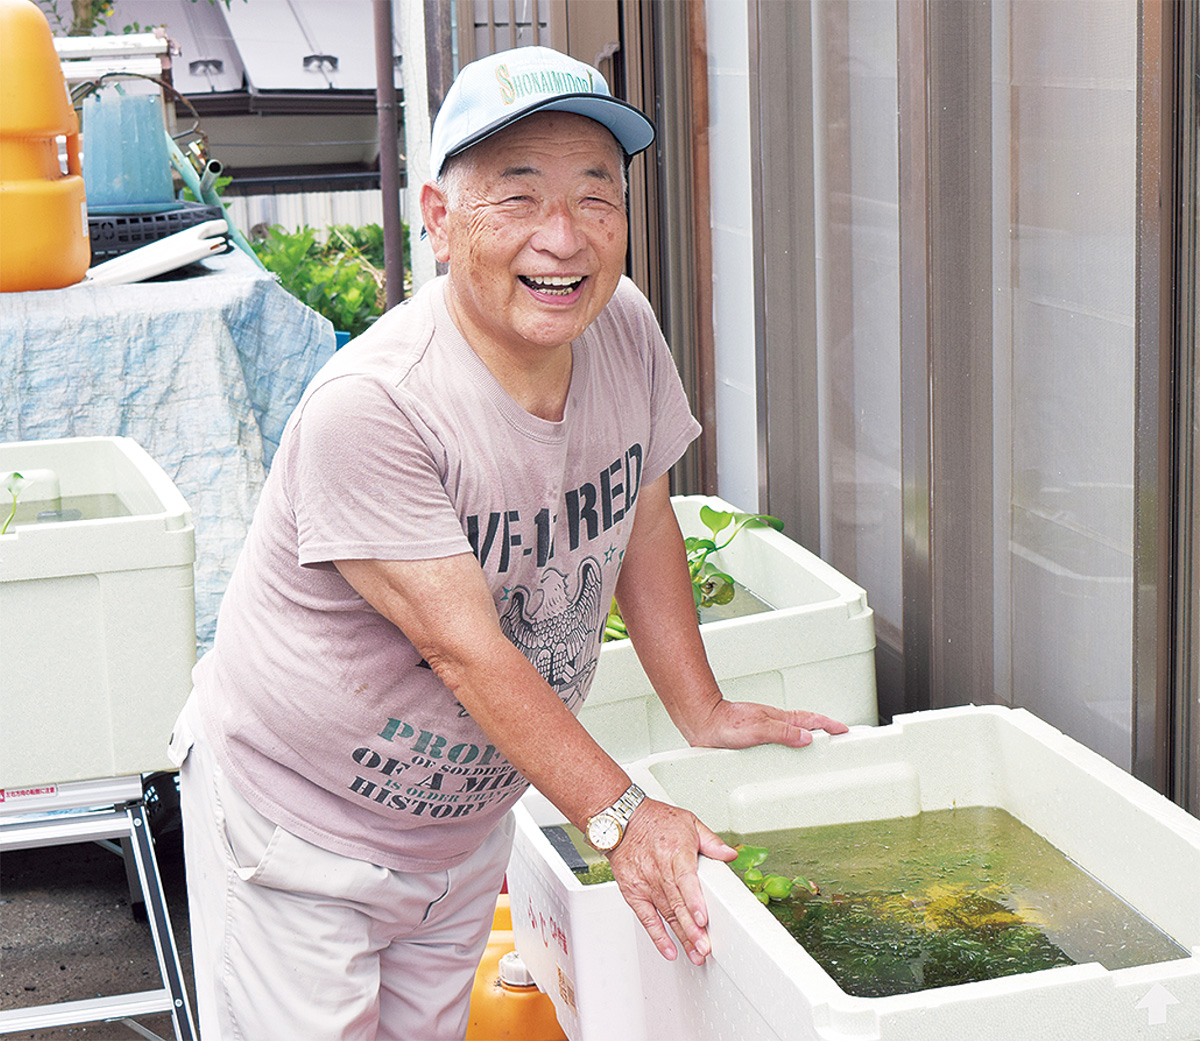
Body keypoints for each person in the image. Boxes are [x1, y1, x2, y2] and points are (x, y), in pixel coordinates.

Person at [170, 44, 848, 1041]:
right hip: (301, 833)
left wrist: (700, 710)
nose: (562, 237)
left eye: (595, 196)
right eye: (518, 197)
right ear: (441, 222)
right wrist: (622, 817)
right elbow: (464, 649)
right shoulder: (379, 406)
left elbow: (642, 516)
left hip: (458, 828)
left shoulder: (624, 329)